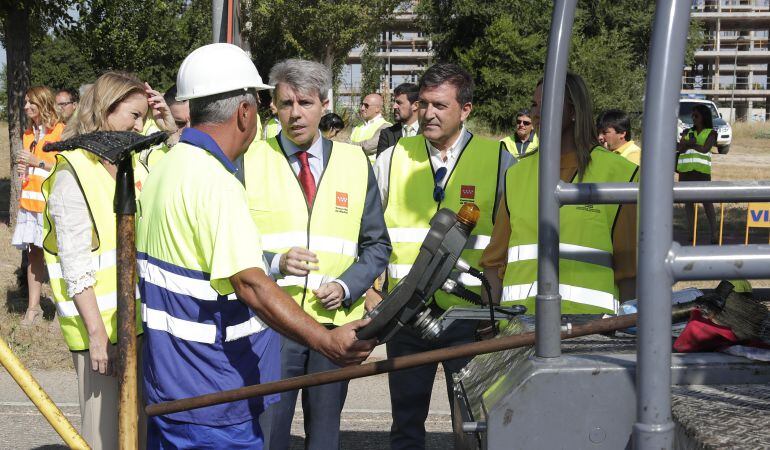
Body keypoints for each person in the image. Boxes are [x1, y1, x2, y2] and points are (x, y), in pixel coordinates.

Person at [136, 43, 375, 449]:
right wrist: (326, 340)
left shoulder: (166, 167)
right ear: (245, 112)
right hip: (215, 392)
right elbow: (250, 283)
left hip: (170, 384)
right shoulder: (217, 182)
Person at [244, 58, 390, 450]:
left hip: (334, 326)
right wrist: (274, 261)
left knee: (324, 437)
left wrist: (347, 285)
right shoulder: (250, 160)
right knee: (268, 434)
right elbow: (229, 245)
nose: (295, 114)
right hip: (271, 324)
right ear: (273, 106)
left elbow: (378, 246)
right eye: (286, 103)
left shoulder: (356, 162)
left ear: (325, 104)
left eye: (305, 103)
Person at [373, 62, 515, 450]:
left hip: (469, 318)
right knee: (405, 424)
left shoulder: (499, 160)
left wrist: (494, 306)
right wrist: (374, 294)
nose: (428, 113)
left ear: (465, 110)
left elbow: (510, 241)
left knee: (471, 426)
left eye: (440, 105)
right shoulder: (392, 157)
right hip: (405, 315)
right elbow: (370, 233)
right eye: (423, 104)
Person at [42, 70, 178, 450]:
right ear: (105, 110)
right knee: (103, 436)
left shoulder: (134, 162)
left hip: (139, 324)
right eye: (134, 116)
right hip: (100, 333)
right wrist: (98, 336)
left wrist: (168, 127)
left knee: (137, 432)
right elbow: (75, 264)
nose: (140, 126)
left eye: (143, 117)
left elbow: (183, 166)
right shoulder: (73, 171)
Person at [480, 72, 639, 318]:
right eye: (535, 105)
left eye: (548, 104)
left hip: (590, 337)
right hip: (518, 332)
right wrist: (488, 323)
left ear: (574, 111)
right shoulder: (516, 175)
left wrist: (631, 333)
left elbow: (630, 272)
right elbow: (493, 262)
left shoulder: (621, 174)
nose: (536, 113)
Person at [13, 86, 64, 326]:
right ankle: (33, 309)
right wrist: (25, 170)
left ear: (43, 103)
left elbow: (65, 170)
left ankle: (62, 310)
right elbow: (30, 166)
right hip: (30, 204)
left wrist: (38, 162)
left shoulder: (61, 132)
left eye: (29, 102)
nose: (25, 107)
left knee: (57, 256)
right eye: (25, 103)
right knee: (34, 255)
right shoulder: (28, 133)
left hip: (51, 204)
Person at [676, 103, 718, 243]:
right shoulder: (687, 132)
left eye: (696, 115)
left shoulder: (711, 133)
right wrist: (688, 143)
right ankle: (691, 232)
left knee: (707, 203)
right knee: (688, 204)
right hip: (686, 171)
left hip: (702, 173)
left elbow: (705, 149)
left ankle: (714, 233)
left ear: (703, 117)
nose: (693, 118)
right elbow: (680, 148)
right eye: (692, 115)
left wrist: (689, 144)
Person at [376, 83, 419, 156]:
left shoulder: (428, 133)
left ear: (415, 105)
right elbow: (382, 164)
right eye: (394, 102)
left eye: (399, 103)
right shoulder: (387, 134)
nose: (394, 106)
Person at [350, 93, 391, 160]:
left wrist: (348, 146)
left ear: (377, 108)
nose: (362, 108)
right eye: (362, 105)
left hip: (372, 169)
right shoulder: (358, 127)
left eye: (366, 105)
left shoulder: (386, 127)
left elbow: (366, 147)